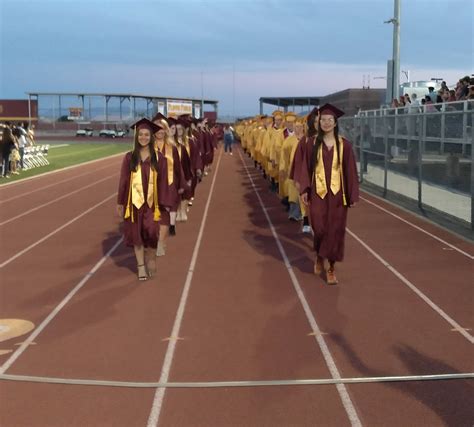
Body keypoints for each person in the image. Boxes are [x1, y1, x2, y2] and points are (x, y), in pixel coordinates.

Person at [299, 104, 359, 285]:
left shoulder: (344, 146)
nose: (326, 123)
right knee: (320, 227)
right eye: (323, 120)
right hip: (318, 193)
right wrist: (304, 189)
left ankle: (331, 268)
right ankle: (319, 255)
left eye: (329, 120)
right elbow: (306, 168)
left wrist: (352, 195)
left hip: (338, 196)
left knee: (335, 231)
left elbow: (350, 171)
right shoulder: (312, 144)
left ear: (335, 123)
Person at [116, 118, 167, 281]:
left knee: (152, 233)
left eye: (146, 134)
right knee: (136, 235)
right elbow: (124, 180)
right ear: (136, 137)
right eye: (140, 134)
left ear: (151, 137)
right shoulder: (129, 157)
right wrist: (120, 201)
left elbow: (163, 181)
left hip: (153, 204)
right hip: (134, 203)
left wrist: (165, 202)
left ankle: (151, 258)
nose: (143, 137)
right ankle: (140, 266)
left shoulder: (159, 158)